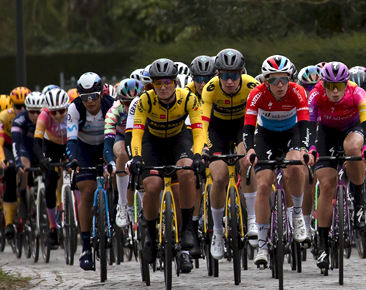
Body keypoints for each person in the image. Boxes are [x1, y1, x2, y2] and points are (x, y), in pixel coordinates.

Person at [130, 58, 205, 273]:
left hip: (177, 140)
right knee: (152, 186)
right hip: (151, 143)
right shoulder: (145, 101)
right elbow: (136, 134)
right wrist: (136, 157)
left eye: (168, 82)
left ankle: (188, 230)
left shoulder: (188, 98)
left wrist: (198, 155)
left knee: (187, 172)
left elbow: (199, 131)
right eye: (158, 83)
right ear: (152, 85)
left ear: (176, 83)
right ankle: (150, 235)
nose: (163, 88)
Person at [242, 55, 312, 268]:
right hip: (266, 136)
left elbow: (305, 124)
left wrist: (305, 149)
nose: (280, 85)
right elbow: (248, 127)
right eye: (274, 80)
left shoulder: (297, 91)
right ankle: (262, 245)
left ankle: (298, 216)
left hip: (292, 133)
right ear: (265, 81)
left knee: (296, 167)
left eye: (284, 79)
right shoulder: (256, 94)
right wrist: (250, 150)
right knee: (263, 185)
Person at [308, 62, 366, 270]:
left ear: (347, 84)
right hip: (326, 133)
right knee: (326, 185)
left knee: (353, 149)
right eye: (330, 86)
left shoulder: (357, 92)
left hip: (351, 129)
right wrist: (310, 148)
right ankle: (323, 244)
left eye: (339, 86)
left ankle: (360, 198)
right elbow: (309, 123)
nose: (335, 91)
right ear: (323, 84)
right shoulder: (316, 93)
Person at [200, 48, 259, 259]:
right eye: (225, 76)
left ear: (241, 73)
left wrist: (254, 145)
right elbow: (203, 123)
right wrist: (204, 147)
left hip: (243, 126)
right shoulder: (210, 88)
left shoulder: (252, 84)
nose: (230, 81)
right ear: (218, 75)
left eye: (234, 76)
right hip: (217, 131)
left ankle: (252, 217)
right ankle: (217, 231)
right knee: (219, 176)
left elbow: (257, 118)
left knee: (247, 161)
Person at [67, 72, 115, 269]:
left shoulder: (110, 104)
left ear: (101, 94)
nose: (89, 101)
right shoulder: (75, 108)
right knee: (86, 191)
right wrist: (73, 159)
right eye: (85, 97)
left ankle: (116, 213)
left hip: (106, 145)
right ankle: (86, 246)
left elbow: (117, 135)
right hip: (84, 148)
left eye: (93, 96)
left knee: (117, 177)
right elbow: (71, 138)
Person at [104, 78, 143, 228]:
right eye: (126, 103)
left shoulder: (146, 106)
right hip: (120, 136)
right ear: (120, 100)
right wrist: (111, 162)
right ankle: (122, 203)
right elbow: (108, 142)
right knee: (122, 153)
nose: (131, 106)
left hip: (140, 135)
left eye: (135, 101)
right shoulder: (114, 111)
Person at [0, 87, 31, 244]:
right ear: (11, 106)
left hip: (27, 146)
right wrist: (2, 159)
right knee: (9, 173)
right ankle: (9, 222)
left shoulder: (35, 115)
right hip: (9, 146)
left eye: (25, 106)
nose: (21, 109)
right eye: (17, 106)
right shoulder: (4, 116)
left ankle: (29, 196)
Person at [34, 88, 69, 245]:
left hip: (69, 143)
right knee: (49, 182)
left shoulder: (72, 112)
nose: (58, 115)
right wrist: (42, 159)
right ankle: (53, 227)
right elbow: (37, 141)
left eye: (61, 110)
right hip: (51, 146)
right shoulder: (44, 116)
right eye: (53, 112)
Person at [12, 92, 44, 240]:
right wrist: (18, 161)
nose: (36, 115)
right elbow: (16, 144)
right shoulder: (19, 119)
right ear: (27, 110)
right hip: (26, 149)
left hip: (41, 149)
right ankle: (23, 195)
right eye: (32, 112)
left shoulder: (47, 118)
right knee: (24, 165)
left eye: (39, 111)